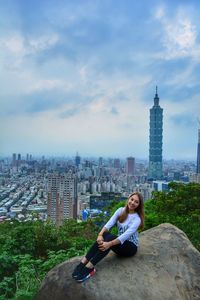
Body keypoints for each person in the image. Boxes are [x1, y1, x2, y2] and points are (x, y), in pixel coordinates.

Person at [72, 192, 145, 283]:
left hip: (130, 248)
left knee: (109, 238)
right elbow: (109, 224)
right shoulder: (120, 210)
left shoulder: (137, 219)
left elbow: (124, 236)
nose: (133, 203)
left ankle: (90, 267)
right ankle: (83, 262)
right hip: (119, 245)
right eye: (132, 199)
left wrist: (109, 244)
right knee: (105, 235)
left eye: (136, 202)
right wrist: (100, 235)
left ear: (139, 205)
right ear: (128, 199)